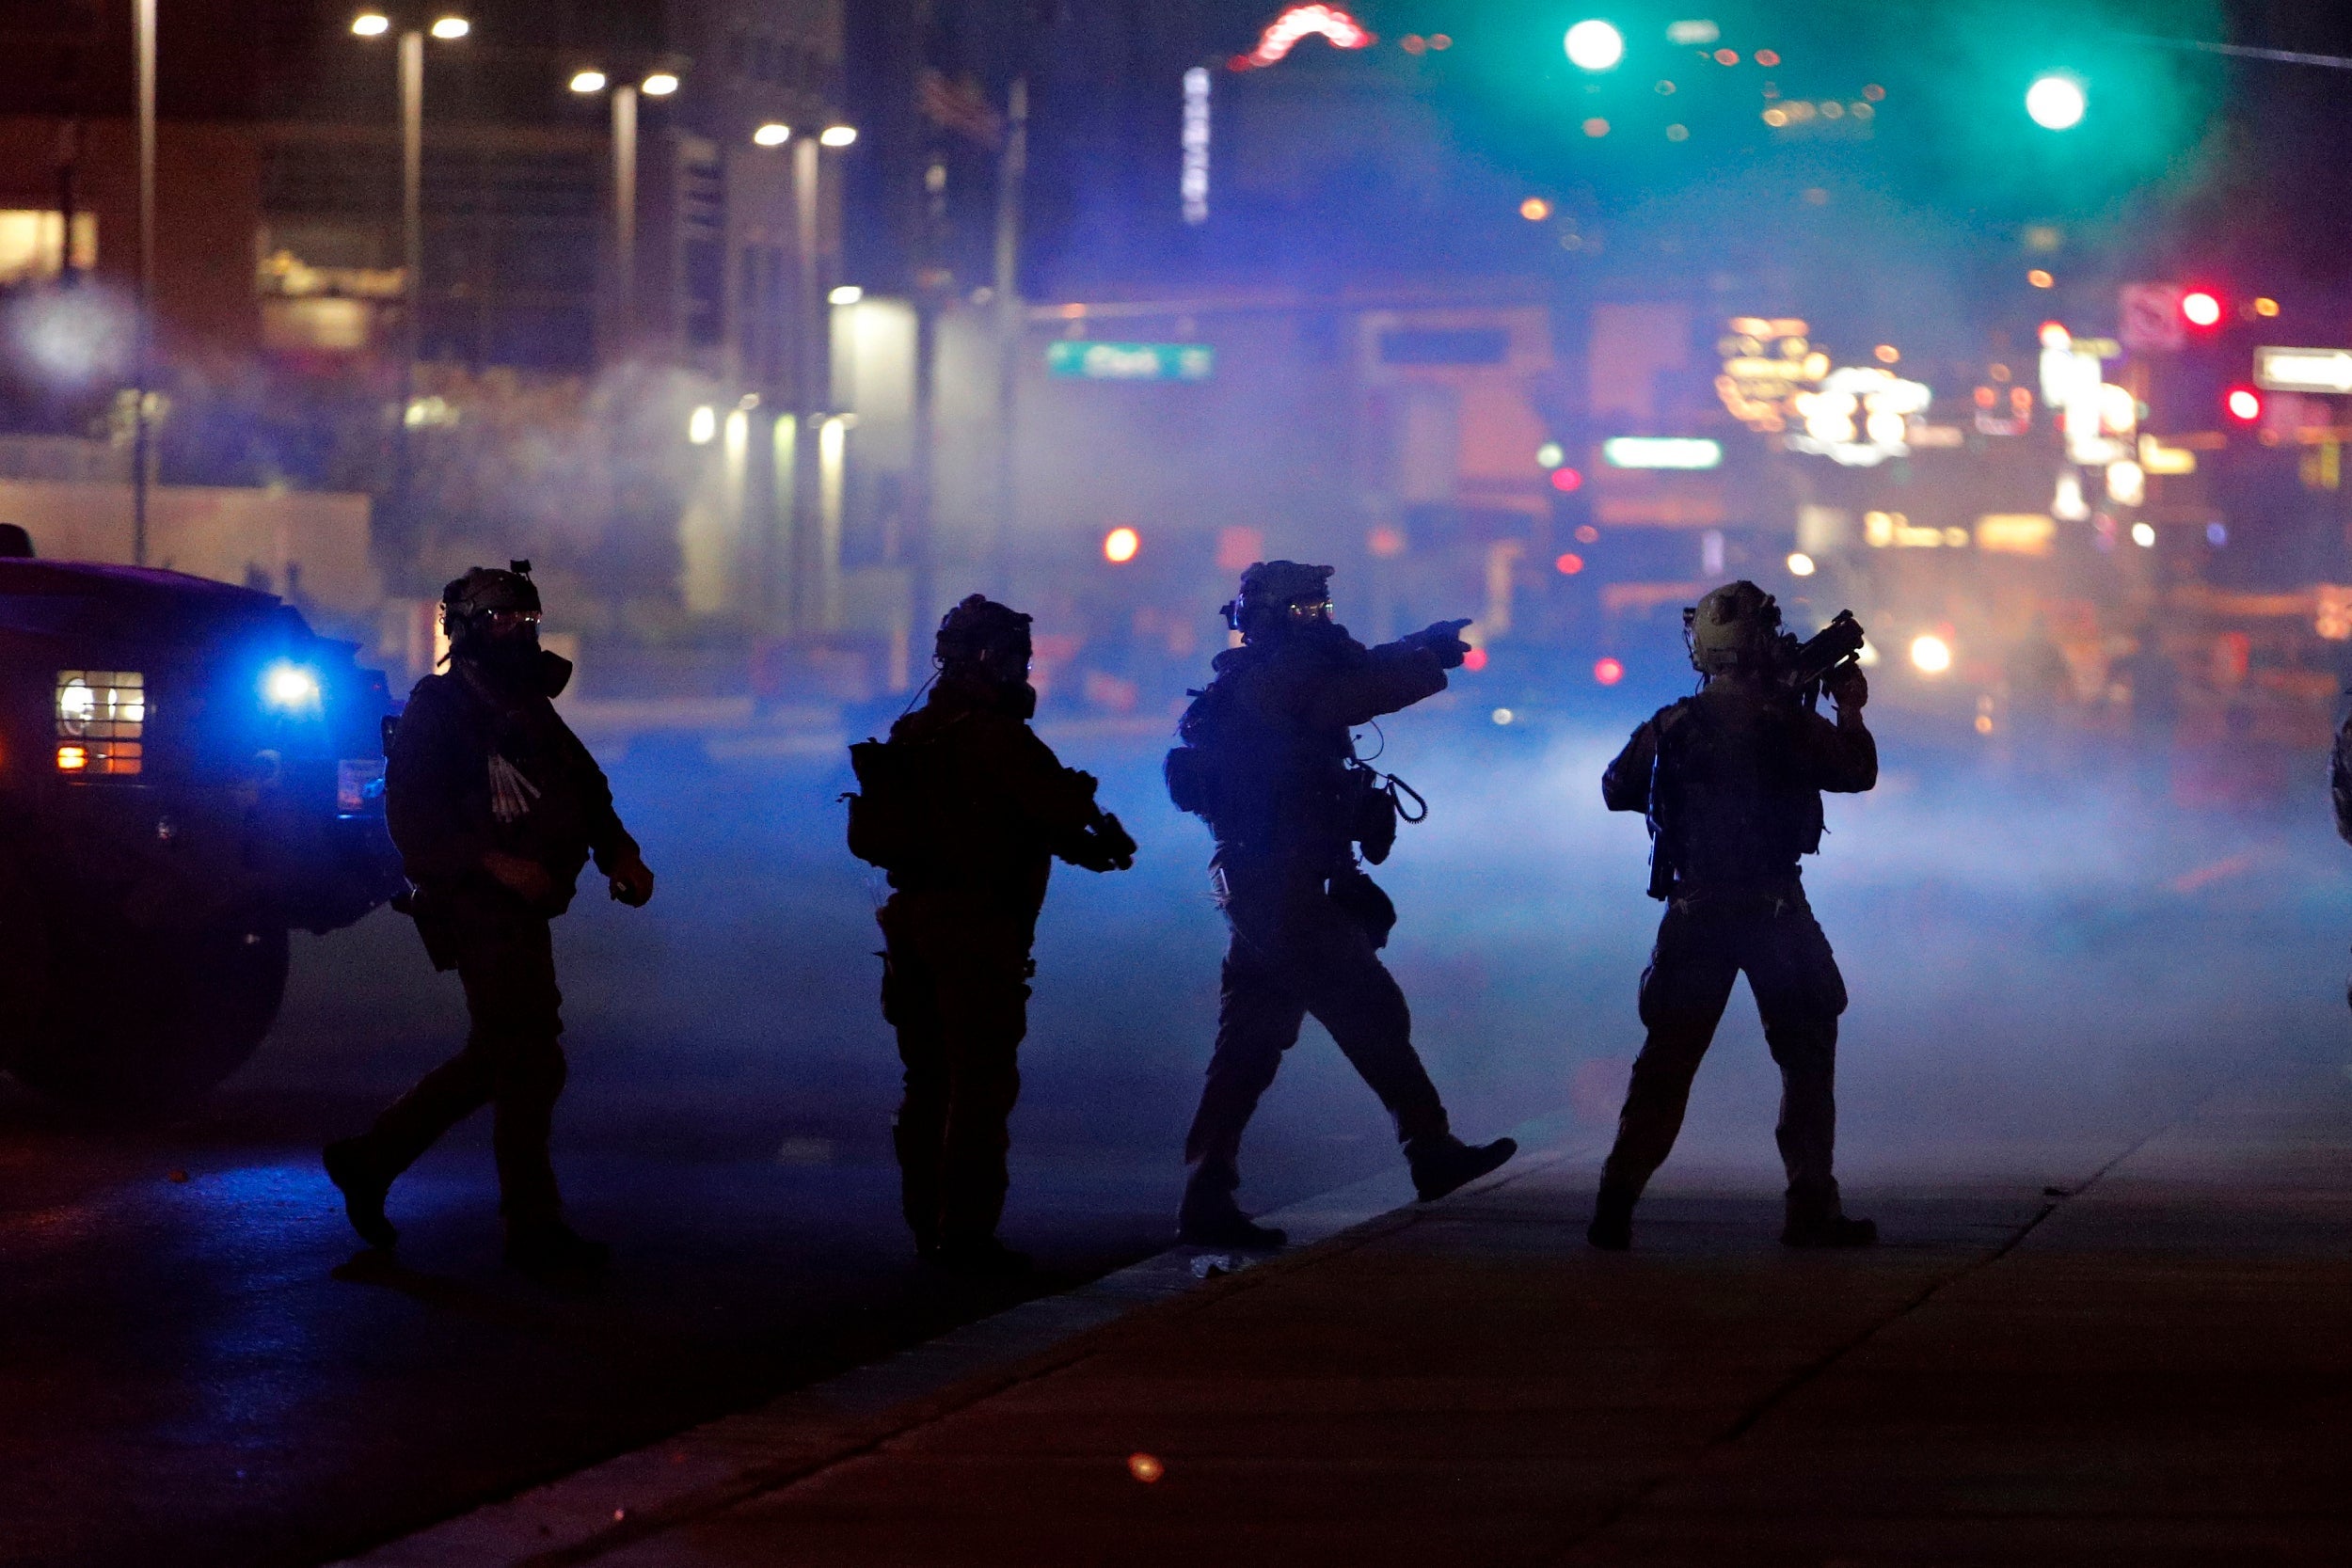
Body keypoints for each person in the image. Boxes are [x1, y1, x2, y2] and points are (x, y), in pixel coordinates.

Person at [1167, 561, 1517, 1249]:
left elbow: (1356, 667)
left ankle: (1208, 1190)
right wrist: (1426, 661)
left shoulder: (1275, 669)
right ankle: (1430, 1148)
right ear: (1269, 618)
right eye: (1302, 611)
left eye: (1320, 607)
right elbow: (1355, 693)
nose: (1319, 620)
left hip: (1276, 881)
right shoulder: (1276, 678)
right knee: (1368, 1010)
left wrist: (1422, 641)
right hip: (1281, 883)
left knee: (1250, 1043)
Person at [325, 562, 654, 1276]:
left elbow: (583, 784)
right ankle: (532, 1228)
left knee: (502, 1058)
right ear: (470, 628)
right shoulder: (438, 710)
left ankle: (370, 1159)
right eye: (505, 620)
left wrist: (618, 851)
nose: (519, 634)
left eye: (527, 622)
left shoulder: (526, 703)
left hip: (524, 905)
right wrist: (496, 865)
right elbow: (412, 821)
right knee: (529, 1058)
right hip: (474, 905)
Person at [1587, 580, 1877, 1251]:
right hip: (1775, 910)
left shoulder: (1672, 724)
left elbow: (1615, 788)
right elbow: (1857, 771)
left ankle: (1615, 1202)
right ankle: (1810, 1208)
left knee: (1665, 1065)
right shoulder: (1787, 722)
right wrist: (1851, 710)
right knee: (1806, 1057)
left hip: (1694, 912)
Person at [853, 595, 1136, 1275]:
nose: (1023, 671)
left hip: (911, 924)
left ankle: (929, 1226)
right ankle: (967, 1238)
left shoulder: (916, 728)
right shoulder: (996, 736)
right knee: (979, 1087)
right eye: (1015, 657)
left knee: (927, 1083)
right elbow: (1062, 815)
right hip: (975, 931)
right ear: (989, 658)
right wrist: (1097, 832)